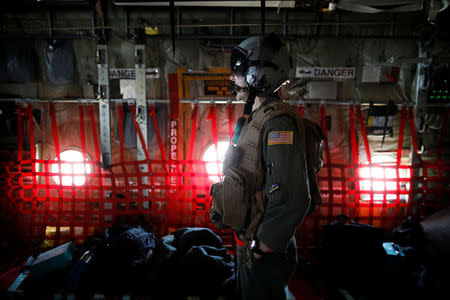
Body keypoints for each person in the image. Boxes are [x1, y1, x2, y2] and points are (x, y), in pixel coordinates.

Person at [210, 33, 314, 300]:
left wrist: (260, 248)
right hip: (251, 241)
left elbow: (293, 198)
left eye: (238, 70)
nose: (232, 77)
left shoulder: (278, 124)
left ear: (258, 75)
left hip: (262, 250)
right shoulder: (257, 118)